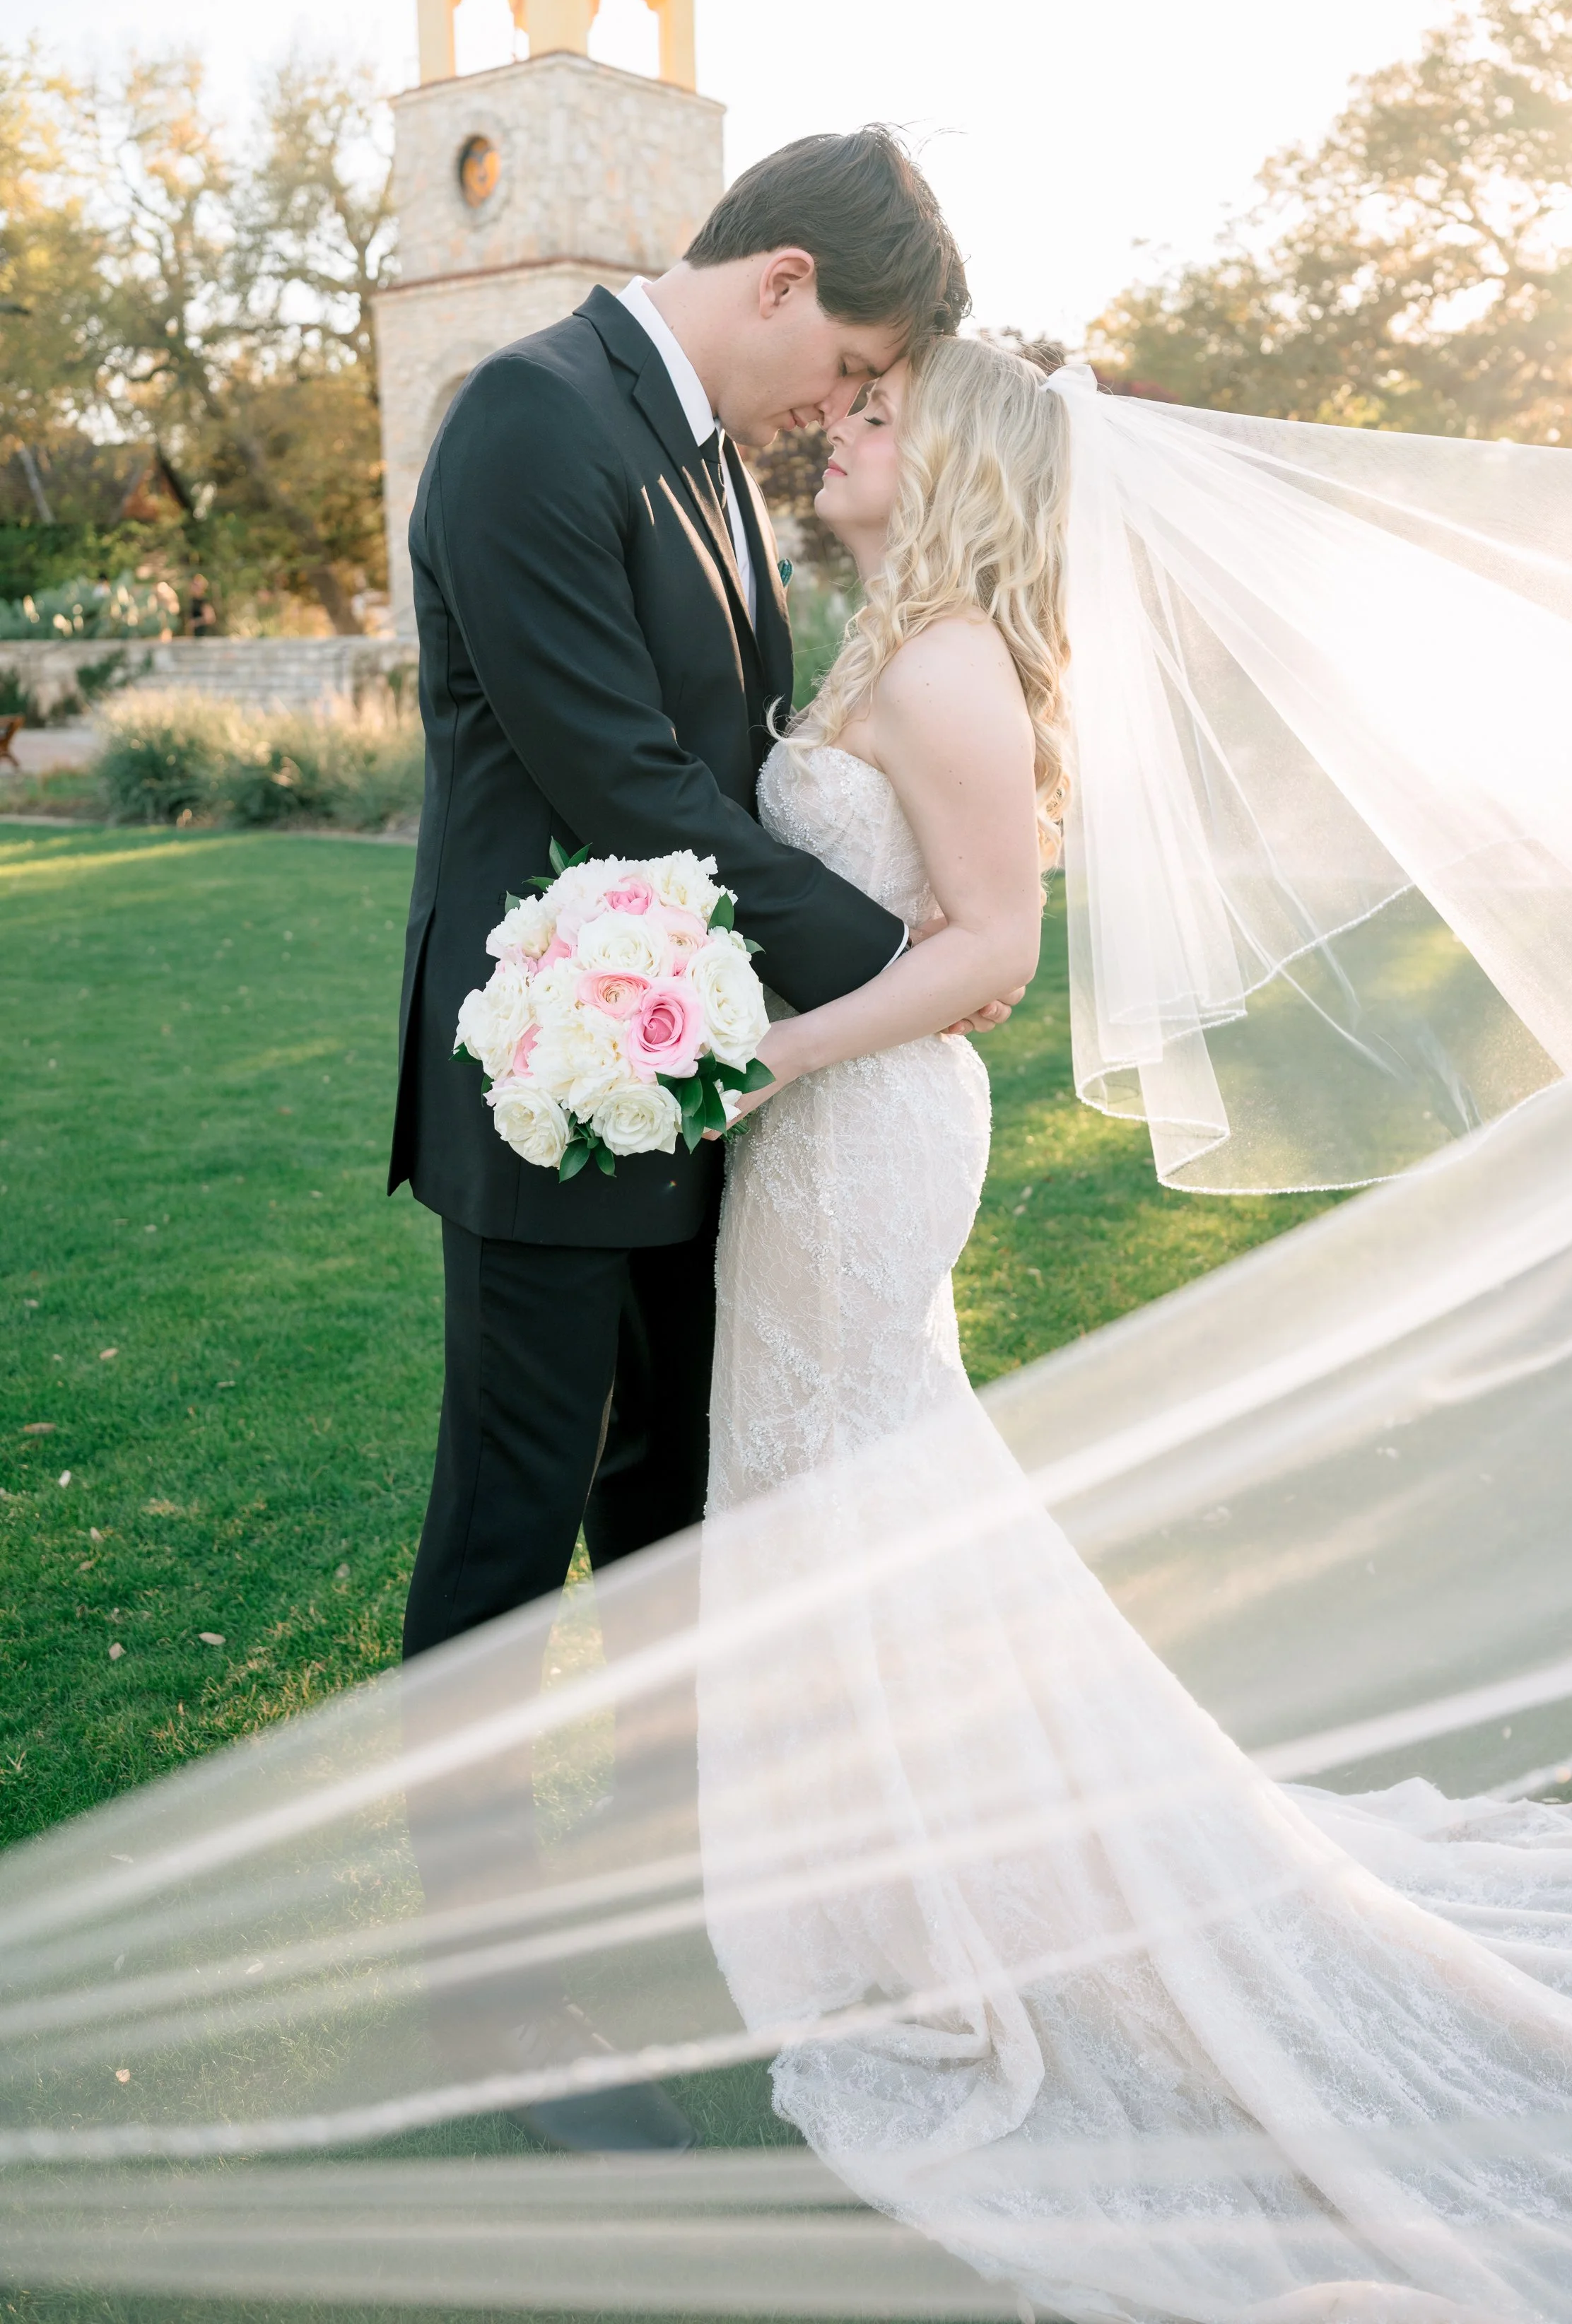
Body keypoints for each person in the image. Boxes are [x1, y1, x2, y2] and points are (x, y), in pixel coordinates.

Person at [692, 338, 1572, 2319]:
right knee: (817, 1508)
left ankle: (959, 1909)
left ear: (955, 466)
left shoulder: (938, 668)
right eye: (838, 407)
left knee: (851, 1504)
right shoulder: (884, 636)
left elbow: (997, 955)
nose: (835, 428)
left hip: (851, 1132)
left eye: (873, 415)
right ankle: (872, 1892)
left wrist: (762, 1059)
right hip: (817, 1130)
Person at [386, 128, 1020, 2150]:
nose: (836, 409)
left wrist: (835, 1004)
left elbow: (736, 756)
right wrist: (897, 955)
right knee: (512, 1535)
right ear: (772, 285)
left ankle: (669, 1915)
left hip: (710, 1077)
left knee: (670, 1516)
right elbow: (618, 770)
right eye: (841, 367)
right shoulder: (528, 422)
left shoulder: (714, 473)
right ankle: (486, 1997)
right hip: (551, 1092)